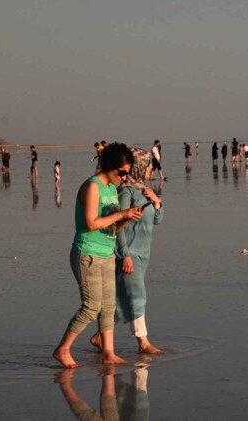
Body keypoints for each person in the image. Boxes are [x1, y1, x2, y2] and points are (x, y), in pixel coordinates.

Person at [53, 142, 145, 369]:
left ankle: (109, 353)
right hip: (87, 254)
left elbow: (113, 227)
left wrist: (127, 218)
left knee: (108, 306)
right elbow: (91, 223)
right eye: (122, 172)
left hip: (106, 253)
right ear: (111, 167)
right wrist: (121, 213)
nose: (124, 178)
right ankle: (63, 349)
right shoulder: (92, 186)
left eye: (127, 174)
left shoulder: (112, 189)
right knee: (91, 306)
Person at [90, 148, 164, 356]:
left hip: (143, 254)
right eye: (148, 164)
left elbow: (157, 219)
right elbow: (116, 225)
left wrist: (157, 202)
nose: (150, 168)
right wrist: (124, 255)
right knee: (137, 296)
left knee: (124, 299)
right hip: (129, 254)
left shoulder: (144, 192)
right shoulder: (126, 193)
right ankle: (144, 342)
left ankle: (99, 336)